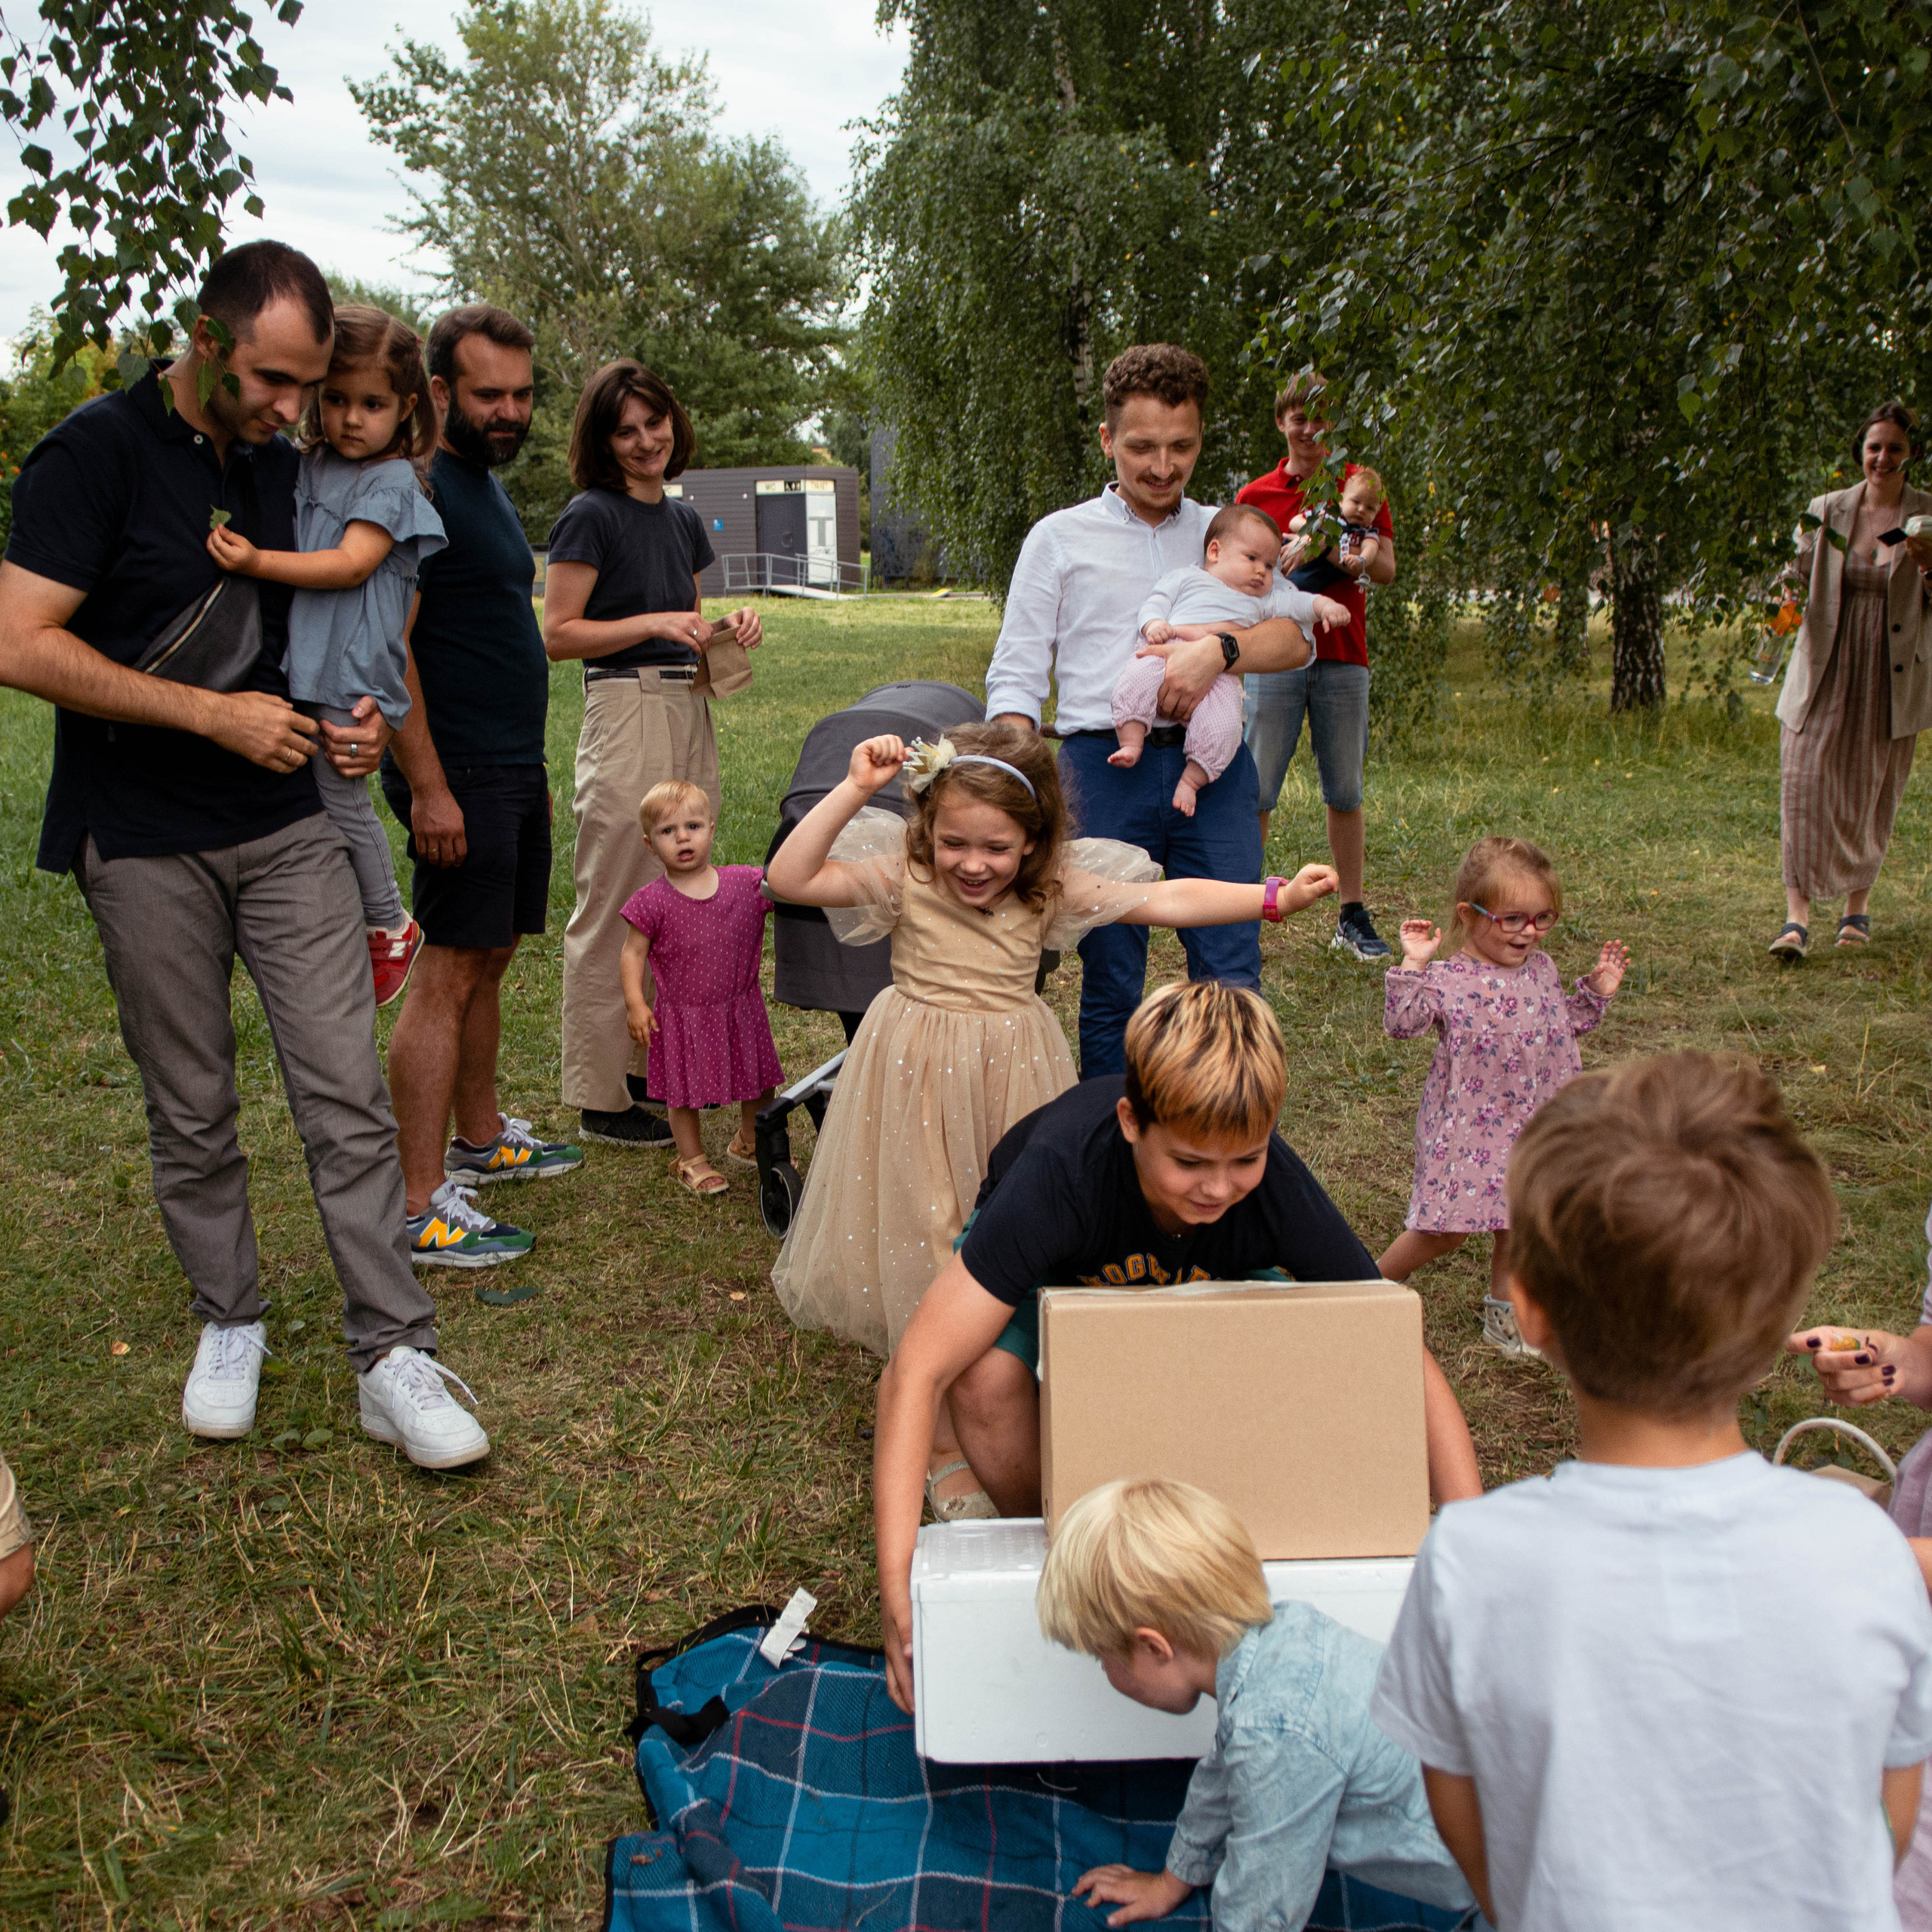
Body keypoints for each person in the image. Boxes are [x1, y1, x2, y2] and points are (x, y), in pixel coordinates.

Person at [0, 240, 487, 1469]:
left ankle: (393, 1352)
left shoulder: (295, 470)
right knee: (192, 1099)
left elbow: (344, 611)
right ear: (207, 341)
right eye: (275, 381)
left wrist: (365, 717)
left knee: (340, 1091)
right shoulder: (95, 455)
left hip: (287, 834)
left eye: (310, 386)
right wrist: (208, 712)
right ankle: (231, 1317)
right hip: (145, 838)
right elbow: (16, 640)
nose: (292, 412)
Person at [1372, 1051, 1932, 1932]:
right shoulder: (1868, 1549)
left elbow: (1464, 1814)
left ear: (1529, 1309)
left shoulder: (1470, 1557)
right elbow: (1888, 1824)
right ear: (1776, 1320)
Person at [768, 729, 1339, 1521]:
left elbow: (1167, 899)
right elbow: (789, 878)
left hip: (1012, 1067)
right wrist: (856, 787)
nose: (972, 863)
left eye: (996, 847)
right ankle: (938, 1438)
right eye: (954, 841)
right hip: (912, 1070)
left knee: (1007, 1232)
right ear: (926, 830)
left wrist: (1272, 898)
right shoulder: (906, 874)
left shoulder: (1049, 890)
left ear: (1033, 841)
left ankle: (1018, 1386)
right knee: (927, 1234)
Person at [872, 980, 1483, 1712]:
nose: (1218, 1189)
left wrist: (1467, 1548)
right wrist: (896, 1590)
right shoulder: (1058, 1177)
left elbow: (1392, 1348)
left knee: (1273, 1348)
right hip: (1060, 1267)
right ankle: (1045, 1528)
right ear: (1131, 1121)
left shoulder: (1269, 1184)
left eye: (1245, 1159)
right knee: (982, 1376)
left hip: (1190, 1273)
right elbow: (917, 1368)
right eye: (1190, 1163)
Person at [984, 343, 1321, 1078]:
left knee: (1231, 969)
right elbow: (1013, 680)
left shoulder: (1227, 534)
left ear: (1202, 438)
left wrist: (1219, 652)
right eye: (1141, 447)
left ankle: (1228, 1147)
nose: (1162, 467)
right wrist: (1018, 794)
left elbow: (1293, 639)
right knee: (1110, 982)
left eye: (1181, 446)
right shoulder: (1059, 538)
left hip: (1215, 767)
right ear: (1107, 440)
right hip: (1100, 770)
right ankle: (1109, 1145)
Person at [1044, 1478, 1474, 1930]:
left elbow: (1263, 1902)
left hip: (1517, 1882)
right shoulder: (1280, 1642)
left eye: (1101, 1655)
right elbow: (1221, 1772)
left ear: (1154, 1648)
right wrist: (1173, 1881)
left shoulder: (1275, 1731)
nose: (1103, 1669)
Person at [380, 303, 581, 1269]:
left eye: (521, 394)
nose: (508, 411)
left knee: (490, 954)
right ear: (439, 394)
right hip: (455, 771)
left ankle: (480, 1135)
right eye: (487, 394)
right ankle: (419, 1204)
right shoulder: (418, 491)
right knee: (448, 970)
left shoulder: (481, 485)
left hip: (508, 763)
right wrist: (427, 786)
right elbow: (392, 649)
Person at [544, 360, 764, 1146]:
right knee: (616, 896)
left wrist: (724, 627)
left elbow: (687, 623)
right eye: (625, 430)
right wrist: (652, 624)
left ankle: (648, 1068)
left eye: (654, 422)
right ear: (603, 441)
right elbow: (558, 634)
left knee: (678, 888)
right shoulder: (588, 515)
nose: (645, 441)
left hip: (684, 704)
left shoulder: (681, 520)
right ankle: (602, 1095)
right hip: (625, 706)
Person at [206, 303, 444, 1006]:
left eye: (371, 404)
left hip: (351, 666)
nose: (348, 419)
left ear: (405, 409)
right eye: (334, 399)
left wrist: (253, 561)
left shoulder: (393, 481)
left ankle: (388, 921)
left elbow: (348, 565)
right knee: (310, 794)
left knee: (340, 797)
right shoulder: (310, 465)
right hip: (305, 659)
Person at [1377, 837, 1628, 1356]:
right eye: (1512, 919)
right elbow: (1402, 1026)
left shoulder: (1542, 970)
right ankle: (1366, 1283)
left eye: (1542, 918)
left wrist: (1595, 994)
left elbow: (1559, 1027)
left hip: (1532, 1123)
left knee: (1518, 1221)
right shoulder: (1450, 979)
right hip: (1469, 1130)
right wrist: (1415, 965)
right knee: (1444, 1231)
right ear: (1469, 915)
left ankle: (1504, 1318)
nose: (1529, 932)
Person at [1236, 374, 1398, 961]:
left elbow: (1384, 571)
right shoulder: (1257, 493)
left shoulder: (1360, 487)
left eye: (1320, 417)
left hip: (1343, 655)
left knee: (1346, 789)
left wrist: (1331, 544)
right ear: (1281, 422)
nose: (1308, 429)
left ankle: (1351, 914)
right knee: (1255, 788)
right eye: (1297, 417)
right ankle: (1242, 910)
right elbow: (1237, 573)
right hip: (1273, 654)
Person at [1769, 401, 1932, 960]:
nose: (1882, 457)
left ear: (1911, 453)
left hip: (1891, 672)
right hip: (1825, 664)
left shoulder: (1926, 514)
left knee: (1872, 787)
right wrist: (1783, 595)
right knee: (1803, 778)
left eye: (1894, 448)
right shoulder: (1827, 509)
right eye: (1874, 447)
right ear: (1860, 452)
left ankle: (1855, 911)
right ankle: (1796, 921)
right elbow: (1792, 574)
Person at [1112, 504, 1349, 817]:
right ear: (1214, 551)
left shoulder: (1263, 600)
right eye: (1252, 559)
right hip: (1168, 646)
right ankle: (1131, 741)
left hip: (1222, 674)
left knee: (1226, 725)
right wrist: (1153, 624)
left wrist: (1325, 606)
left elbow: (1297, 603)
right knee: (1137, 675)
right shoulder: (1187, 578)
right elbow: (1157, 601)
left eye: (1269, 564)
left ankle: (1193, 780)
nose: (1262, 571)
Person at [618, 779, 783, 1198]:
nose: (682, 838)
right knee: (683, 1091)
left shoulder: (745, 884)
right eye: (667, 832)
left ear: (711, 828)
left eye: (692, 826)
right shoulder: (650, 901)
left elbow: (787, 885)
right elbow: (632, 955)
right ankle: (690, 1158)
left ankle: (750, 1140)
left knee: (759, 1079)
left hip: (740, 1007)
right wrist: (636, 1005)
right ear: (649, 844)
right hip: (683, 1015)